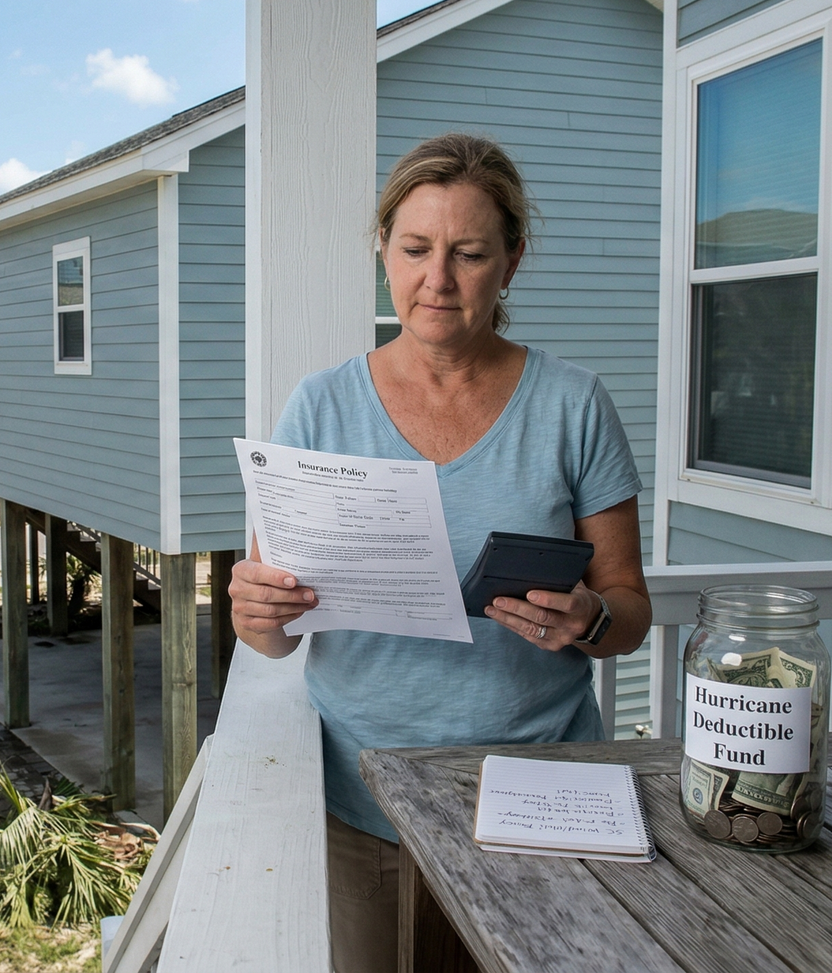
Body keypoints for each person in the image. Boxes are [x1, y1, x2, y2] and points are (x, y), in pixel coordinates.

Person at [227, 133, 653, 973]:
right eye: (416, 248)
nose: (439, 280)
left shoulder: (573, 403)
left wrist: (589, 617)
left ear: (512, 262)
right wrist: (258, 615)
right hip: (368, 796)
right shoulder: (319, 406)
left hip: (545, 793)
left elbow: (630, 608)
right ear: (383, 248)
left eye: (469, 253)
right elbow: (274, 632)